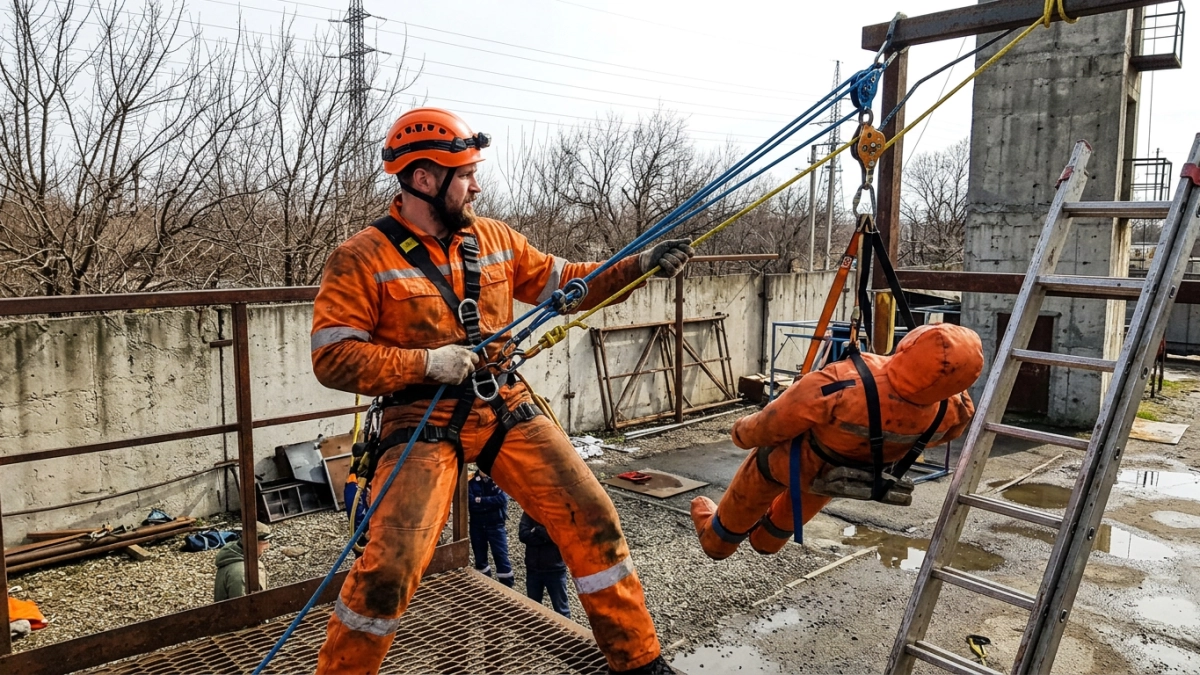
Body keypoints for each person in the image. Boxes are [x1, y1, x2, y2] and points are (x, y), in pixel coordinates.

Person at [310, 107, 691, 674]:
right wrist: (426, 363)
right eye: (465, 173)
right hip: (420, 416)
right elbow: (332, 357)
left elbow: (569, 283)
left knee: (591, 516)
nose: (476, 183)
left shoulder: (494, 239)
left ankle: (639, 662)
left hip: (501, 403)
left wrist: (638, 265)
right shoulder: (361, 258)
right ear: (423, 178)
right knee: (390, 566)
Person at [691, 323, 982, 559]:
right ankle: (767, 542)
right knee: (802, 502)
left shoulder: (842, 382)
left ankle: (718, 542)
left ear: (911, 346)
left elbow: (772, 425)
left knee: (756, 479)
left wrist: (740, 432)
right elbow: (936, 438)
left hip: (793, 464)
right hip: (842, 475)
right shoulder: (953, 408)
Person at [519, 512, 571, 618]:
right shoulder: (529, 512)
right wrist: (546, 536)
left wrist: (537, 530)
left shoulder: (557, 512)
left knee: (561, 610)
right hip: (533, 569)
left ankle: (566, 634)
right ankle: (536, 633)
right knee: (533, 609)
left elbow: (559, 535)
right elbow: (523, 535)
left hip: (555, 569)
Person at [468, 470, 513, 587]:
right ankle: (484, 588)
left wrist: (480, 501)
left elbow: (502, 499)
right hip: (477, 527)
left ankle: (508, 589)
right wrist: (490, 502)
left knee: (501, 557)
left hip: (496, 526)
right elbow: (471, 503)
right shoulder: (471, 483)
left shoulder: (499, 481)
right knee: (480, 559)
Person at [214, 522, 272, 601]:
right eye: (265, 543)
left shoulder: (237, 558)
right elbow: (242, 608)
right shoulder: (242, 572)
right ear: (252, 543)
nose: (268, 547)